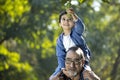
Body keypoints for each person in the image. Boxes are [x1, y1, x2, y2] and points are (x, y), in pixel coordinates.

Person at [49, 8, 95, 79]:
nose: (66, 21)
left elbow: (81, 27)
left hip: (81, 60)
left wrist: (73, 15)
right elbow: (60, 55)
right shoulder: (60, 40)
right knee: (54, 76)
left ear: (74, 23)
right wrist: (63, 69)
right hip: (67, 62)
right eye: (63, 19)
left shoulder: (76, 33)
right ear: (60, 24)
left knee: (86, 73)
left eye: (69, 19)